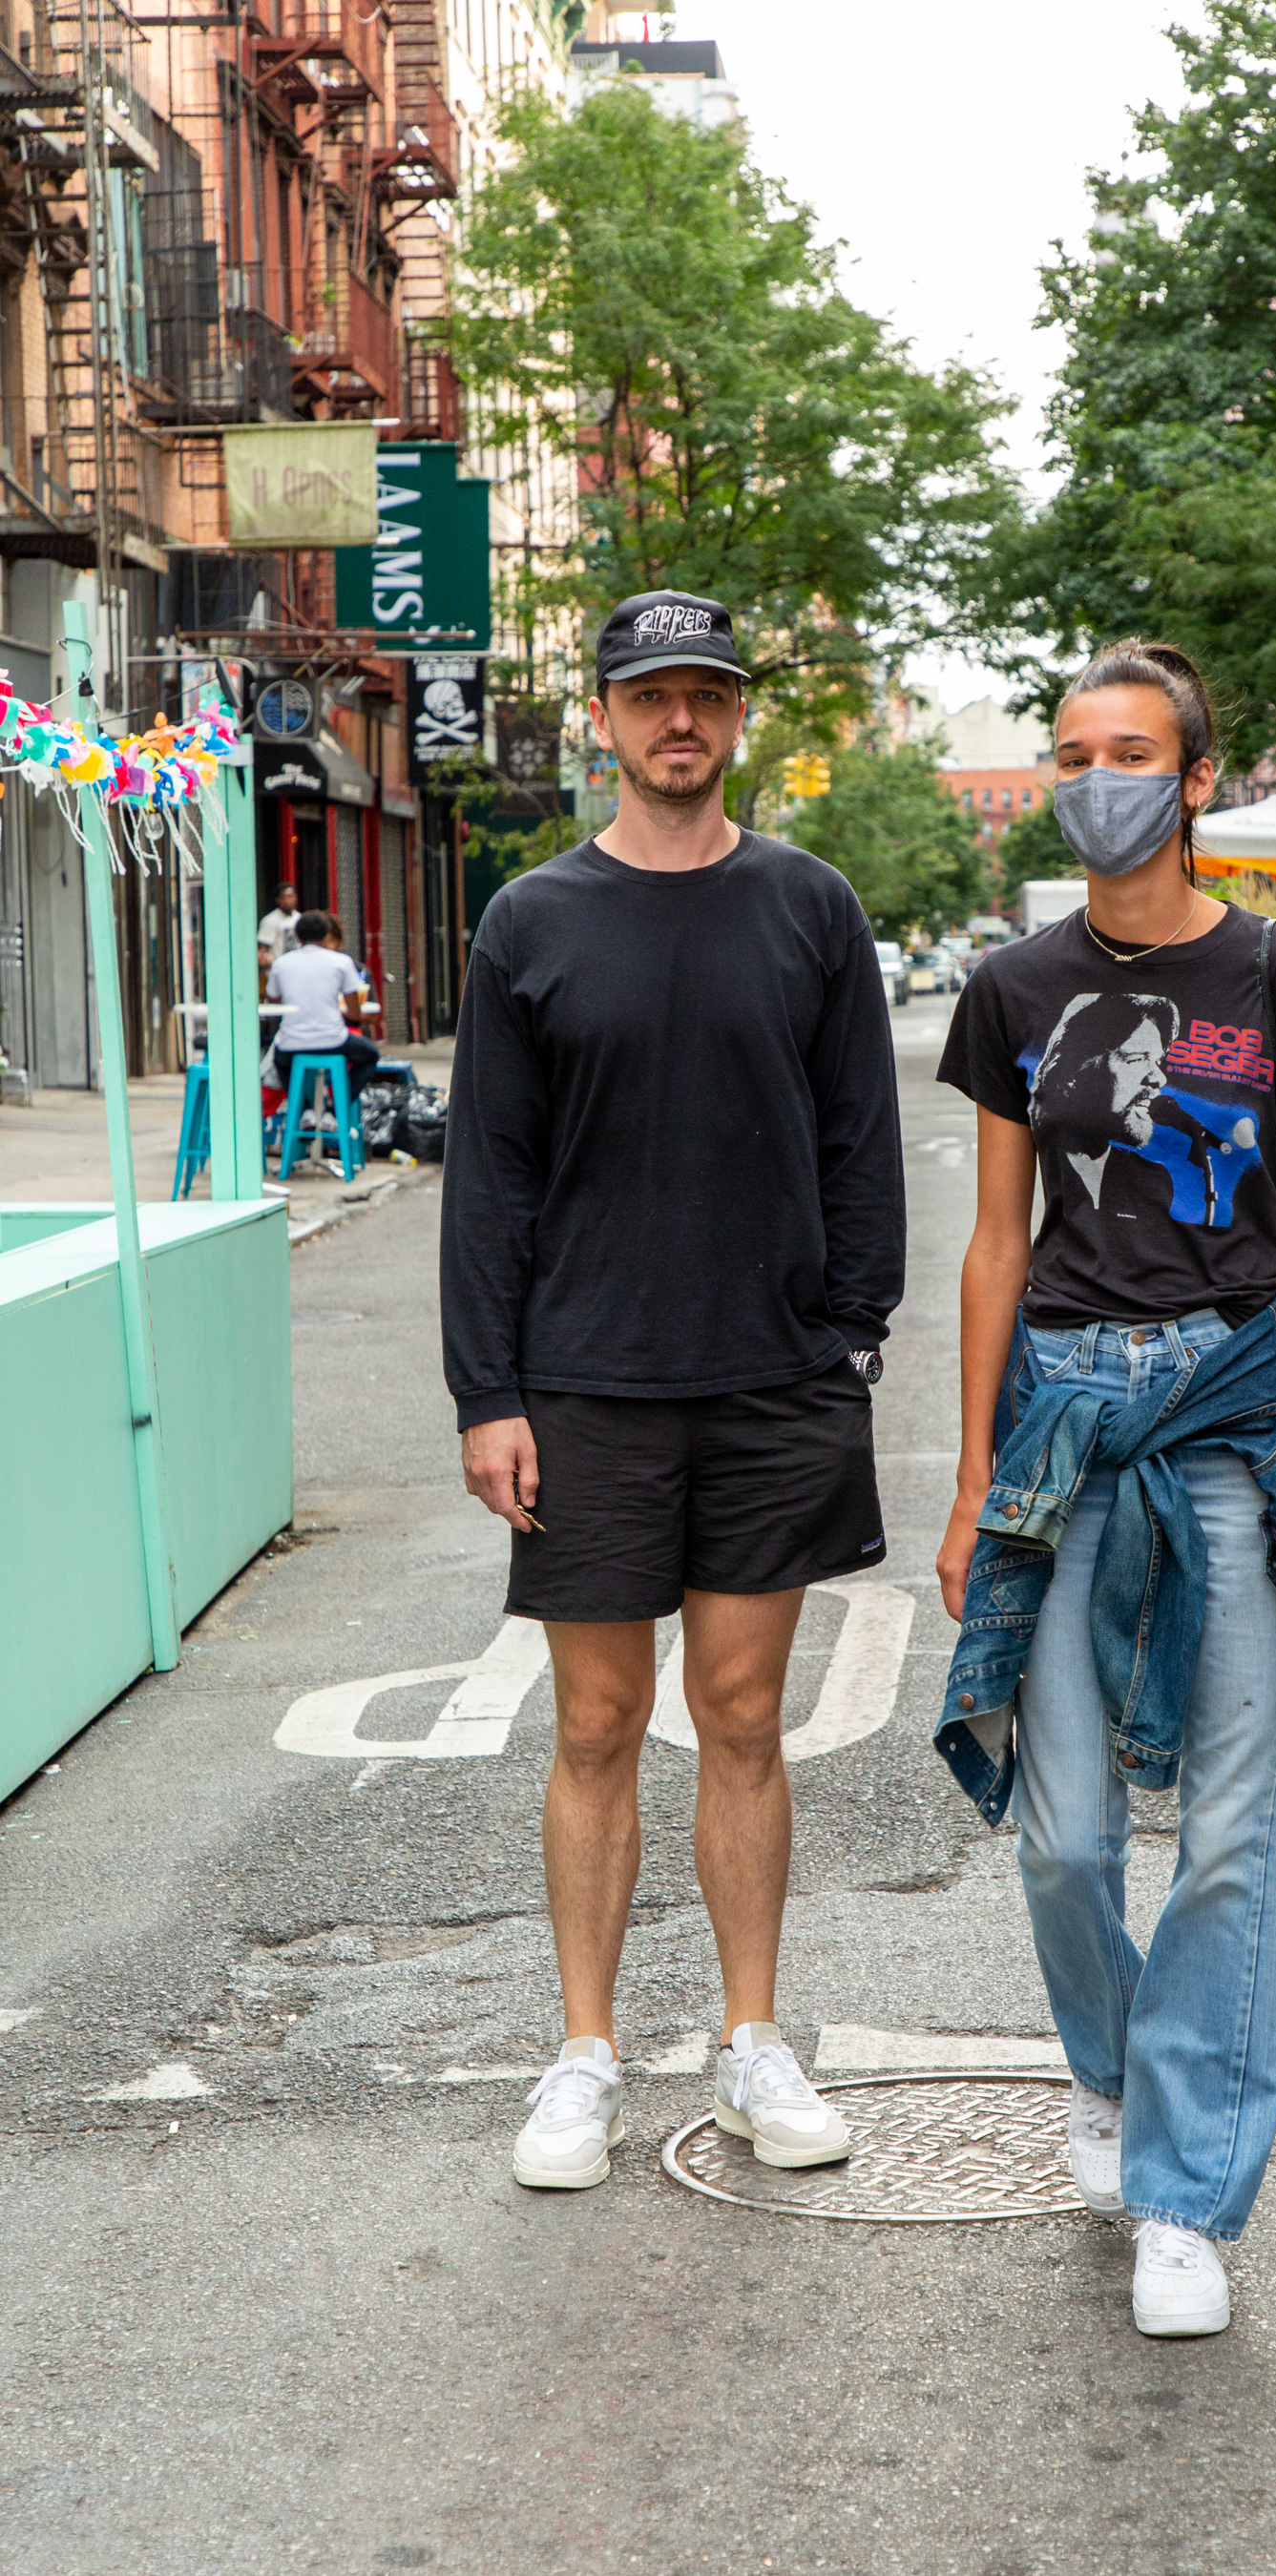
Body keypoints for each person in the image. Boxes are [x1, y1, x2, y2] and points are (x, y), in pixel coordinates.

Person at [932, 638, 1276, 2339]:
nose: (1100, 775)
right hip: (1065, 1429)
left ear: (1197, 778)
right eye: (1074, 749)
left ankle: (1187, 2193)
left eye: (1132, 749)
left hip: (1236, 1417)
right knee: (1065, 1835)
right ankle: (1109, 2072)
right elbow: (996, 1248)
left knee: (1230, 1834)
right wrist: (965, 1481)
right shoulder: (1013, 988)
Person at [442, 588, 906, 2193]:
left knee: (743, 1718)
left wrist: (850, 1336)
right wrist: (486, 1393)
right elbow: (489, 1183)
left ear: (736, 714)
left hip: (773, 1383)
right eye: (651, 697)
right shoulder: (530, 922)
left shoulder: (811, 908)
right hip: (585, 1389)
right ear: (606, 718)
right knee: (593, 1720)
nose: (679, 720)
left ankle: (755, 2037)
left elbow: (863, 1140)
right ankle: (582, 2054)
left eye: (705, 692)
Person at [266, 910, 381, 1088]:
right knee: (371, 1054)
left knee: (280, 1061)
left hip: (290, 1044)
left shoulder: (281, 963)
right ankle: (335, 1109)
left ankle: (303, 1109)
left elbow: (274, 1004)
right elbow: (354, 1013)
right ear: (326, 935)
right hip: (332, 1041)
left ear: (297, 936)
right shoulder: (341, 962)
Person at [257, 881, 301, 966]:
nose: (288, 900)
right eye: (284, 897)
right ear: (277, 900)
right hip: (279, 968)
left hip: (297, 967)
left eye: (290, 896)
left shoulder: (300, 918)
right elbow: (262, 949)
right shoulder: (270, 920)